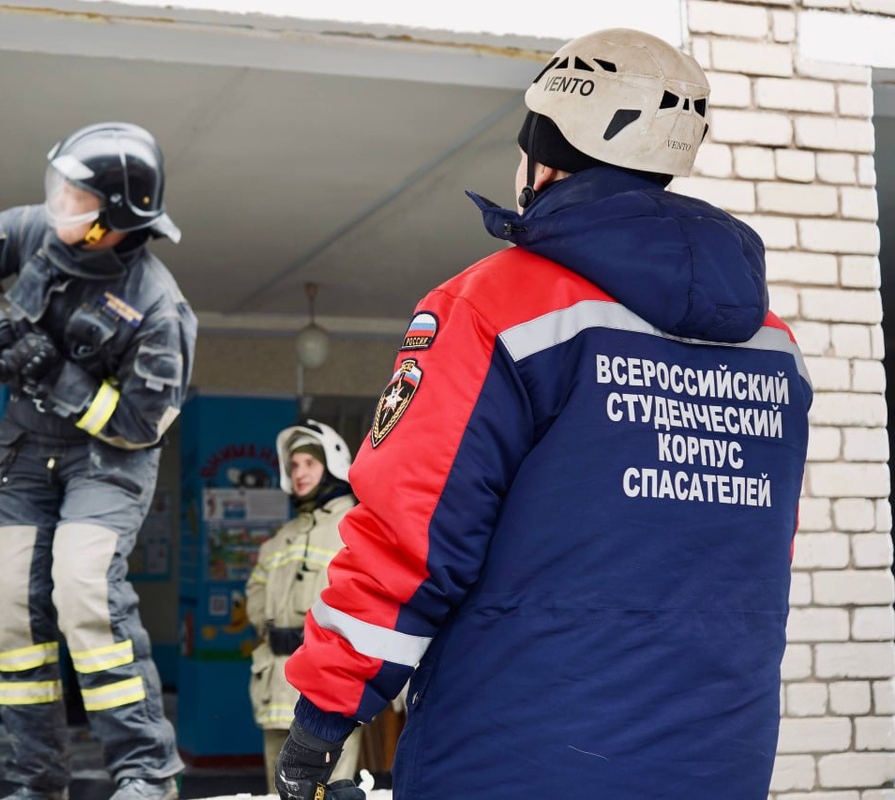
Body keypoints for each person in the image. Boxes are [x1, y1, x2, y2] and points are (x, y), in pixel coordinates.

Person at [274, 28, 812, 800]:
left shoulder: (494, 306)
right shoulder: (773, 346)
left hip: (518, 756)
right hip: (720, 756)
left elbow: (410, 537)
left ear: (545, 160)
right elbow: (758, 553)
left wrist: (324, 714)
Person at [0, 122, 195, 800]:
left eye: (75, 197)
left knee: (83, 592)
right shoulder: (35, 229)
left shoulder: (158, 309)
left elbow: (138, 424)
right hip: (22, 452)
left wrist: (55, 377)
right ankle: (38, 779)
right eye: (58, 187)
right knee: (14, 611)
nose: (56, 204)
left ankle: (146, 773)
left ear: (112, 221)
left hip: (106, 462)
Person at [245, 420, 364, 794]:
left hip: (327, 684)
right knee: (279, 789)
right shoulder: (284, 536)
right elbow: (255, 595)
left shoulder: (355, 524)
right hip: (277, 680)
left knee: (328, 789)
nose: (299, 473)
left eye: (309, 463)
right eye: (294, 465)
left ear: (332, 465)